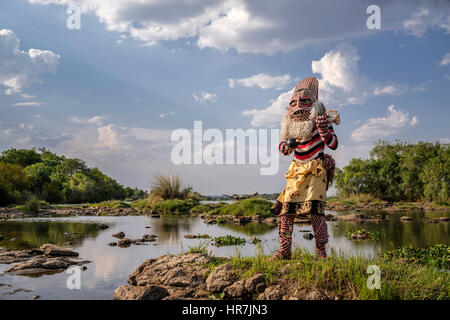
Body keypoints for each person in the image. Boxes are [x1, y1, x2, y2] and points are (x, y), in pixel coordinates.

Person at [269, 76, 338, 260]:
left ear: (315, 105)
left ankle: (320, 251)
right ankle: (284, 251)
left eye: (305, 101)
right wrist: (288, 146)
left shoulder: (320, 123)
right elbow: (283, 149)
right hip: (296, 171)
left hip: (315, 169)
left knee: (315, 210)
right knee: (286, 211)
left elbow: (333, 144)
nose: (298, 105)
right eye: (293, 102)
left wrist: (324, 130)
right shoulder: (292, 128)